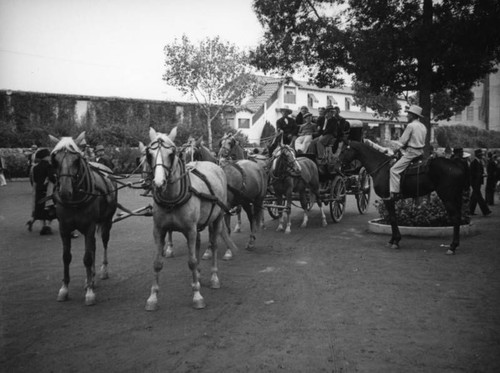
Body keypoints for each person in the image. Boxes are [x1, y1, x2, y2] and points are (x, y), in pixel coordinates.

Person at [387, 104, 427, 200]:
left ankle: (395, 193)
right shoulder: (423, 126)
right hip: (421, 153)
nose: (407, 116)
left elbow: (402, 142)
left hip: (411, 153)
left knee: (394, 170)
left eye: (408, 114)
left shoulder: (411, 126)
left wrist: (392, 151)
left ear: (413, 115)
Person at [27, 148, 57, 235]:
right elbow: (53, 178)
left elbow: (34, 181)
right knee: (49, 209)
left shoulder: (34, 168)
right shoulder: (50, 166)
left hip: (39, 191)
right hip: (49, 191)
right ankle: (47, 226)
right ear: (46, 157)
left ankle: (43, 226)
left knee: (40, 209)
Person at [469, 149, 492, 216]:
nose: (482, 155)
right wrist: (481, 175)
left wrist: (482, 175)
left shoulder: (479, 162)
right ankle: (485, 210)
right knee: (479, 197)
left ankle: (471, 210)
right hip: (475, 182)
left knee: (474, 197)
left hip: (478, 182)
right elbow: (472, 173)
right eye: (481, 154)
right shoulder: (474, 162)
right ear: (478, 155)